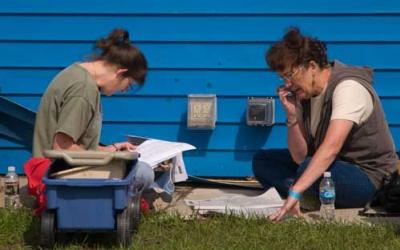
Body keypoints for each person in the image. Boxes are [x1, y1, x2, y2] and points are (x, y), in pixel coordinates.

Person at [252, 27, 398, 221]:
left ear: (311, 67)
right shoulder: (306, 94)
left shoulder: (348, 87)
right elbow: (300, 155)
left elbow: (331, 148)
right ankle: (310, 194)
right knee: (263, 161)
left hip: (369, 177)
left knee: (307, 168)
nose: (287, 83)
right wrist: (292, 117)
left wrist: (295, 190)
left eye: (290, 75)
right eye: (283, 78)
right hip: (330, 167)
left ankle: (301, 194)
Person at [26, 28, 169, 214]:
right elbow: (61, 148)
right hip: (57, 170)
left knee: (137, 167)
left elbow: (72, 144)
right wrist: (112, 160)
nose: (124, 91)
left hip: (58, 164)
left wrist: (112, 149)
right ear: (120, 72)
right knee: (144, 172)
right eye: (129, 84)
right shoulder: (84, 90)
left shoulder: (78, 71)